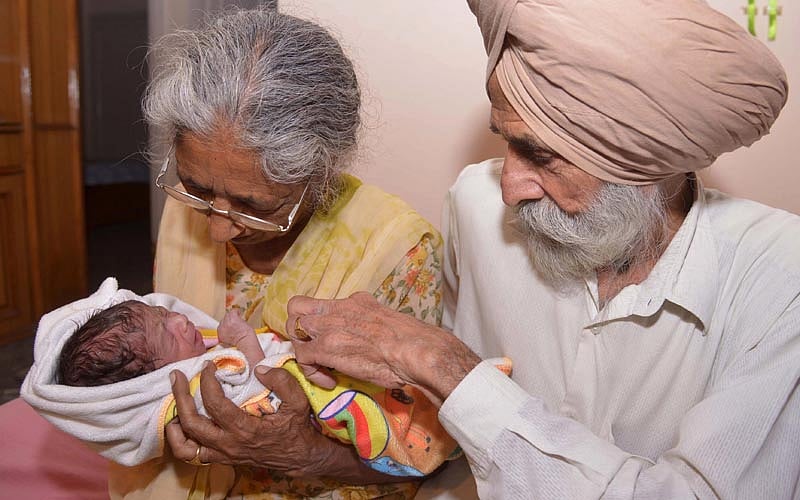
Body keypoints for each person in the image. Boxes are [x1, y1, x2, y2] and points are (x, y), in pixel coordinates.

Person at [203, 1, 798, 498]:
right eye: (507, 145)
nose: (509, 188)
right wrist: (308, 453)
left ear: (645, 162)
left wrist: (450, 369)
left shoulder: (779, 279)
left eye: (540, 156)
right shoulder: (477, 208)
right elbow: (456, 449)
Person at [102, 7, 447, 500]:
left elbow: (422, 458)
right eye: (196, 188)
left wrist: (300, 451)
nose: (218, 229)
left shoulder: (398, 252)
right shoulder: (189, 206)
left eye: (253, 207)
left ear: (320, 178)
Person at [49, 294, 457, 477]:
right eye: (167, 333)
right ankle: (425, 423)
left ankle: (437, 401)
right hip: (323, 405)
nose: (178, 319)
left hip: (328, 383)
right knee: (388, 407)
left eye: (163, 311)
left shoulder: (197, 354)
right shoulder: (198, 391)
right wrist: (244, 342)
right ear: (155, 377)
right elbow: (262, 387)